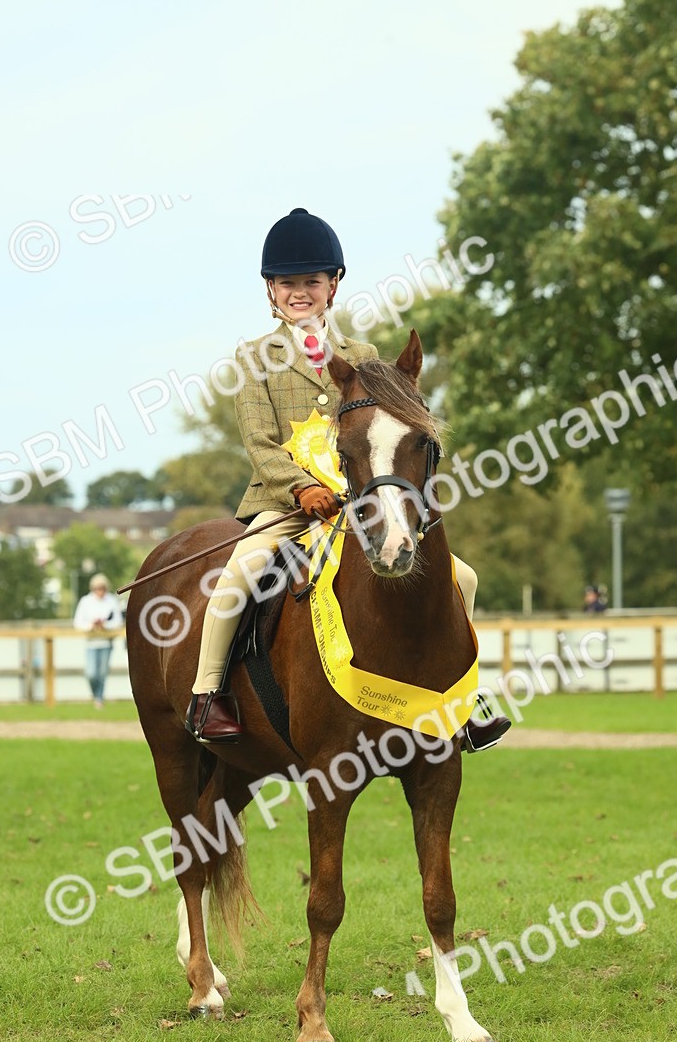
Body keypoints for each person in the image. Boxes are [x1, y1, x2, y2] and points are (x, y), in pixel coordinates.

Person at [187, 208, 509, 753]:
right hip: (285, 505)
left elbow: (380, 438)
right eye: (287, 284)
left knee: (466, 578)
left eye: (311, 282)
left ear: (332, 286)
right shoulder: (253, 359)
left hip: (358, 505)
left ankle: (459, 698)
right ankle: (207, 693)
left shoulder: (362, 358)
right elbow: (260, 444)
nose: (299, 293)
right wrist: (301, 488)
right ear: (270, 290)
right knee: (236, 576)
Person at [73, 573, 124, 708]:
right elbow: (78, 622)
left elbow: (118, 621)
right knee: (91, 673)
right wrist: (91, 625)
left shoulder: (112, 600)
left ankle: (99, 699)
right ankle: (96, 695)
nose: (100, 591)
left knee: (102, 673)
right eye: (97, 588)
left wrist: (104, 625)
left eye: (102, 588)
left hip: (106, 642)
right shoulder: (85, 601)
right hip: (91, 642)